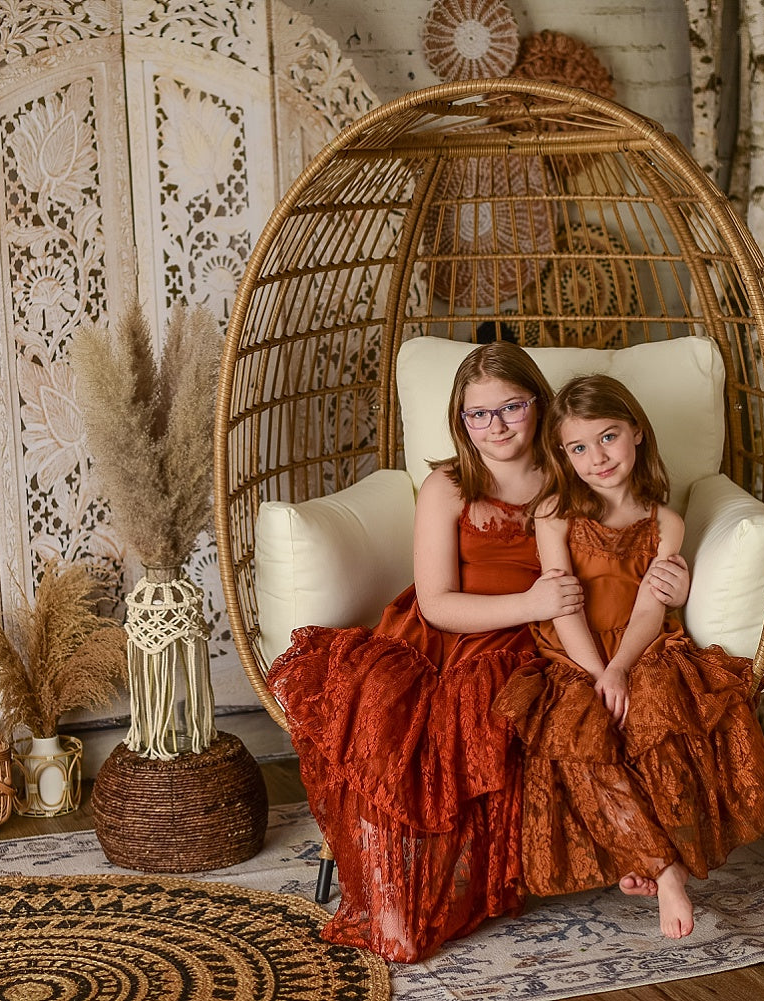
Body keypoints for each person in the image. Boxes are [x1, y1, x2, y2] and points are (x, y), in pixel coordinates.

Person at [267, 342, 690, 963]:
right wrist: (533, 603)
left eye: (511, 408)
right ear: (460, 422)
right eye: (478, 415)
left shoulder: (570, 470)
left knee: (551, 718)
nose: (496, 427)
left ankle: (633, 856)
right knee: (411, 726)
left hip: (541, 641)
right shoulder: (450, 485)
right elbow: (438, 602)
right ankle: (402, 885)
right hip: (456, 635)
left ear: (538, 405)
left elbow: (621, 543)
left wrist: (672, 580)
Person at [494, 373, 764, 940]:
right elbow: (563, 605)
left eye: (608, 438)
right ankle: (663, 868)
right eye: (578, 448)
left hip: (641, 648)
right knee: (580, 732)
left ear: (637, 434)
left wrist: (622, 667)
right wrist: (600, 674)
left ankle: (642, 858)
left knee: (655, 713)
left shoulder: (664, 523)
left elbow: (651, 608)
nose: (597, 458)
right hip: (573, 655)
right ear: (562, 455)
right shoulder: (555, 513)